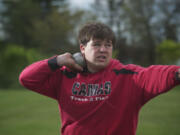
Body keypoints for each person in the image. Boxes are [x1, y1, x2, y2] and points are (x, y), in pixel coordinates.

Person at [19, 22, 180, 135]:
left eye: (108, 45)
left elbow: (158, 74)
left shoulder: (128, 77)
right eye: (96, 44)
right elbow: (27, 78)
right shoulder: (65, 75)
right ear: (82, 48)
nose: (103, 49)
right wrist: (57, 61)